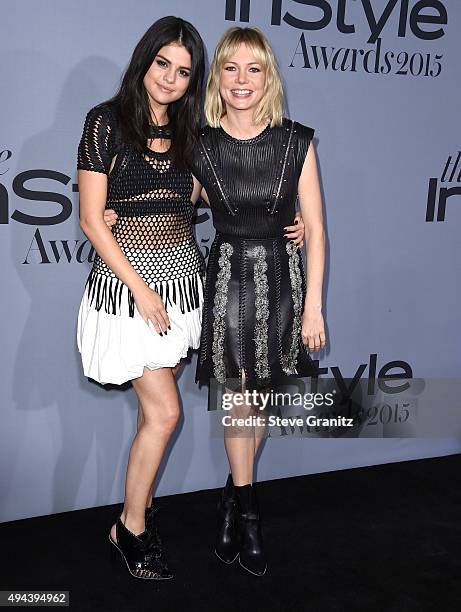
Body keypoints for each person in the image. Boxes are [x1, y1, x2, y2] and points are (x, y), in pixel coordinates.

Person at [189, 27, 326, 576]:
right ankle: (248, 514)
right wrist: (111, 213)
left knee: (260, 404)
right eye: (231, 68)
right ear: (217, 77)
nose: (242, 80)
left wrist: (314, 306)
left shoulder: (297, 141)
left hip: (284, 283)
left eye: (254, 69)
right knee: (237, 403)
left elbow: (314, 229)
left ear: (268, 76)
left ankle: (230, 493)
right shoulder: (199, 145)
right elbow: (170, 201)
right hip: (228, 282)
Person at [76, 16, 207, 580]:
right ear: (145, 59)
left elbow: (204, 197)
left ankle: (138, 506)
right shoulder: (104, 122)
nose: (170, 79)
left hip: (182, 289)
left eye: (183, 72)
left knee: (153, 417)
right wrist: (141, 290)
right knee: (167, 412)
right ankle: (129, 530)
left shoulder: (191, 134)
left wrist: (285, 221)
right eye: (163, 64)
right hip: (130, 296)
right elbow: (91, 218)